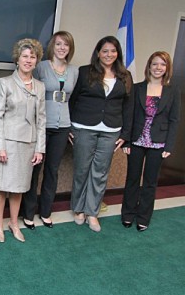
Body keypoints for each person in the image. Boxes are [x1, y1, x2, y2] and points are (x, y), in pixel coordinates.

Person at [69, 36, 133, 232]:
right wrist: (70, 127)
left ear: (118, 53)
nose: (109, 54)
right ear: (98, 53)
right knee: (82, 169)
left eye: (113, 51)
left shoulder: (125, 76)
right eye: (105, 51)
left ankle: (92, 212)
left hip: (111, 130)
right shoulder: (85, 72)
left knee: (100, 173)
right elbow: (72, 100)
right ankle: (78, 209)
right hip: (84, 127)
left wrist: (126, 134)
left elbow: (128, 106)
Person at [21, 31, 79, 229]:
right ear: (52, 46)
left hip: (62, 127)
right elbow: (31, 93)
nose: (62, 48)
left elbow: (72, 99)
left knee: (52, 171)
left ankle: (45, 211)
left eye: (66, 45)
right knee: (35, 170)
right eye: (59, 44)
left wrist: (71, 125)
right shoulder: (41, 66)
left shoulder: (74, 71)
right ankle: (28, 213)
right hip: (41, 125)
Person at [0, 39, 46, 242]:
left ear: (37, 60)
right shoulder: (4, 83)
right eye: (25, 56)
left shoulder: (39, 87)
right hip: (7, 143)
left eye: (33, 56)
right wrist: (0, 147)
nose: (28, 60)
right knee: (2, 185)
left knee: (20, 187)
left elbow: (41, 119)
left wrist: (40, 148)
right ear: (17, 59)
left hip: (29, 144)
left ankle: (14, 223)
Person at [121, 51, 180, 231]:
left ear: (167, 68)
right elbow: (129, 116)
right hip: (137, 141)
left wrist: (169, 145)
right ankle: (128, 214)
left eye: (162, 64)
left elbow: (174, 120)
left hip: (158, 143)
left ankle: (143, 217)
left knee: (150, 182)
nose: (158, 68)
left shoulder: (172, 91)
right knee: (132, 179)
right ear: (149, 66)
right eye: (155, 64)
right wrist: (126, 142)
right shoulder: (137, 88)